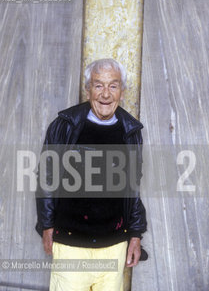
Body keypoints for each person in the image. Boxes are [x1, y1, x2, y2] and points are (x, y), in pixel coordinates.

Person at [36, 58, 147, 291]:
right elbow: (46, 177)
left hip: (114, 246)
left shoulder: (131, 131)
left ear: (122, 91)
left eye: (113, 86)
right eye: (98, 85)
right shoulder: (64, 125)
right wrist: (47, 226)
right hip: (71, 245)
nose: (105, 94)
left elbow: (134, 187)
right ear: (88, 89)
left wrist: (135, 235)